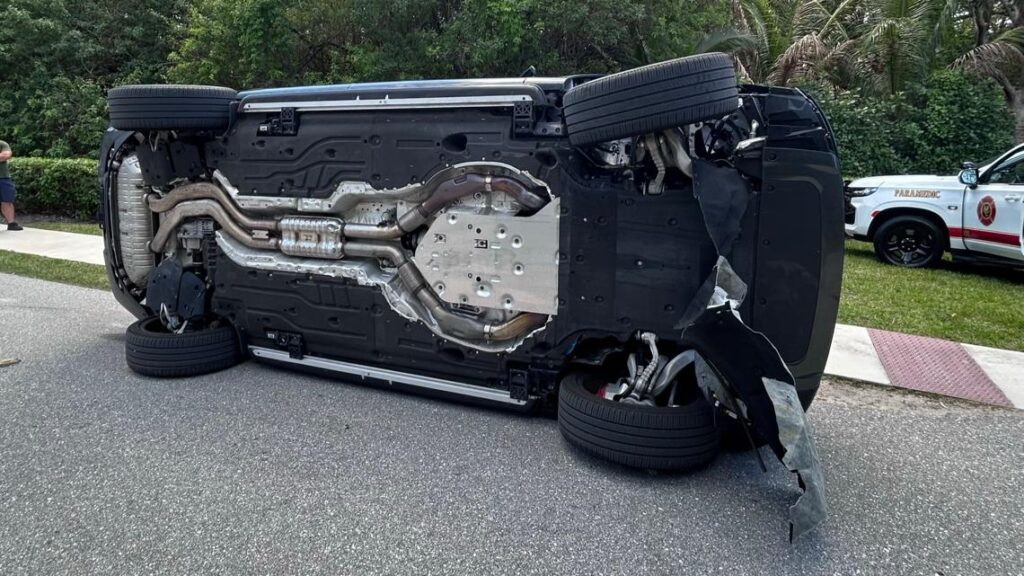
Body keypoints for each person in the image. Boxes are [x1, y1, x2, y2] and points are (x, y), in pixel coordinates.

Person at [0, 139, 22, 231]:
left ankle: (11, 223)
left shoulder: (2, 143)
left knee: (7, 200)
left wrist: (2, 156)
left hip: (3, 177)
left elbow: (6, 155)